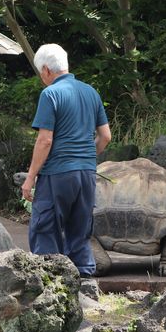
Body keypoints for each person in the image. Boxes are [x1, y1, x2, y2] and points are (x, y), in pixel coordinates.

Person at [21, 44, 111, 278]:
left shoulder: (50, 94)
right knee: (79, 231)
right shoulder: (91, 92)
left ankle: (49, 283)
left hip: (57, 173)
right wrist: (85, 157)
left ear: (46, 70)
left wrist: (30, 178)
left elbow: (45, 141)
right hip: (86, 173)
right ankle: (85, 283)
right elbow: (105, 137)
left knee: (45, 228)